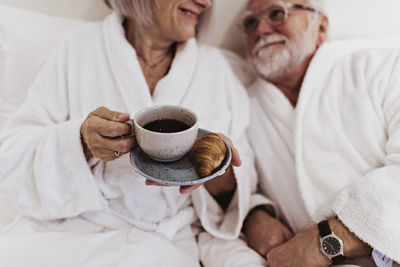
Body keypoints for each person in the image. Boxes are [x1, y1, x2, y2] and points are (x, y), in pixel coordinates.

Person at [0, 0, 269, 266]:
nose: (206, 3)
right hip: (74, 231)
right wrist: (80, 141)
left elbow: (241, 176)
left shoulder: (216, 68)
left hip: (164, 242)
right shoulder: (80, 47)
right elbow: (11, 154)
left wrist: (214, 172)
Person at [199, 0, 400, 266]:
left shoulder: (382, 67)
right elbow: (243, 184)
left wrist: (322, 243)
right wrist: (253, 215)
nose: (261, 29)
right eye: (250, 23)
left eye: (276, 13)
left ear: (320, 26)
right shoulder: (241, 104)